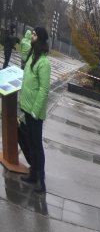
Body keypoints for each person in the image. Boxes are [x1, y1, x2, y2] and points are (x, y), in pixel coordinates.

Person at [17, 26, 51, 194]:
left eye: (35, 34)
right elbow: (24, 48)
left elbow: (44, 90)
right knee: (30, 142)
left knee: (37, 146)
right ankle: (33, 174)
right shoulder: (32, 56)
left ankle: (41, 181)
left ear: (41, 39)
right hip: (27, 107)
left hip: (34, 112)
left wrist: (35, 111)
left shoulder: (44, 63)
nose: (32, 36)